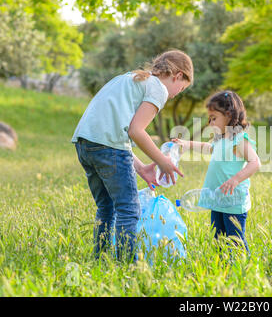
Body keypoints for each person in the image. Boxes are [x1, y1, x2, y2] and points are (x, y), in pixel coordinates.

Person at [72, 49, 193, 262]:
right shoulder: (158, 88)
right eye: (180, 89)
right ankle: (125, 265)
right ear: (178, 76)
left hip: (85, 144)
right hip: (107, 147)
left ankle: (100, 259)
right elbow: (136, 131)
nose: (176, 94)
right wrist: (161, 160)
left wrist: (142, 168)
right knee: (129, 209)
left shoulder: (130, 79)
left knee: (106, 207)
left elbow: (113, 135)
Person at [173, 90, 260, 254]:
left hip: (233, 201)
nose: (211, 123)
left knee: (235, 241)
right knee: (218, 239)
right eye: (209, 119)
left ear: (229, 115)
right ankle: (222, 270)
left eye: (214, 118)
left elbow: (255, 162)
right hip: (218, 198)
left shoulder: (239, 139)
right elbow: (207, 147)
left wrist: (236, 179)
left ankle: (243, 270)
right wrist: (187, 144)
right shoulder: (221, 139)